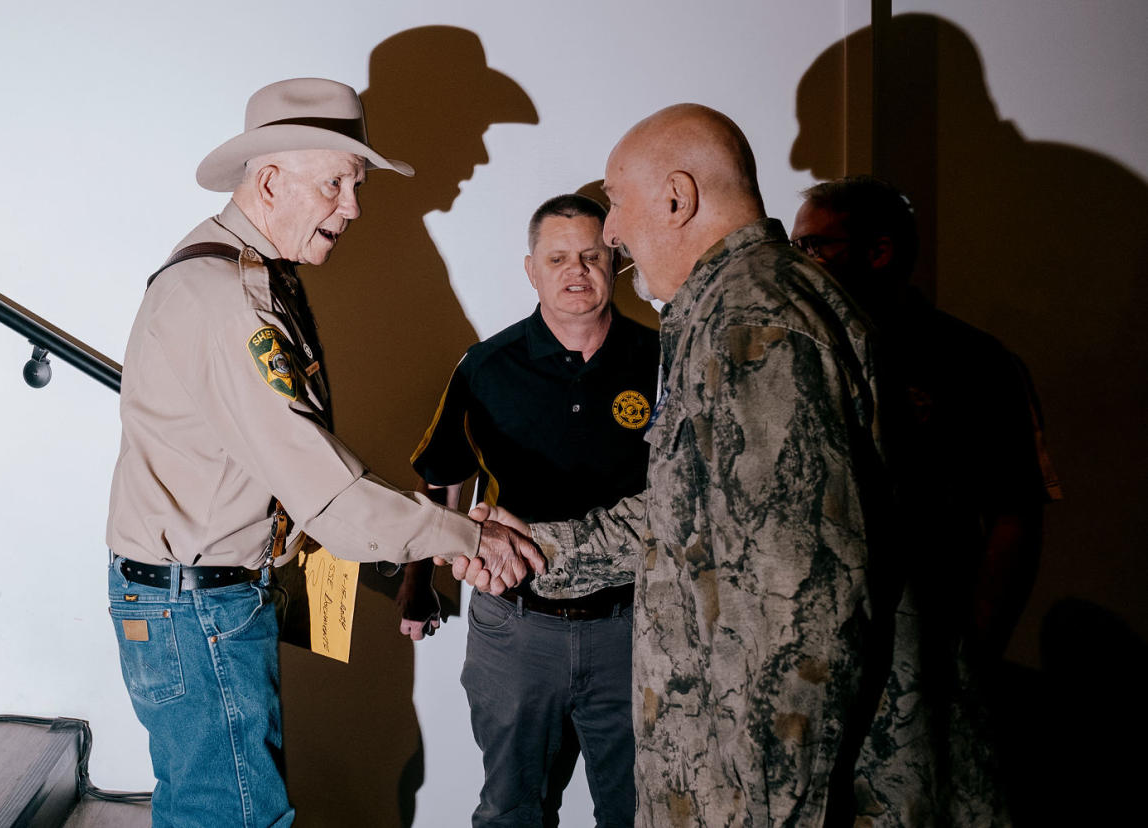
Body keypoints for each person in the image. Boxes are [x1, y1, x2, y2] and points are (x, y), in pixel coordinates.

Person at [449, 104, 947, 825]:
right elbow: (684, 510)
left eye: (616, 205)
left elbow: (799, 619)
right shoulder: (728, 313)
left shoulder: (755, 326)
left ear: (677, 198)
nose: (610, 233)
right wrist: (542, 550)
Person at [105, 77, 541, 828]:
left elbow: (274, 482)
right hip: (198, 605)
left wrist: (400, 570)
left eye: (357, 184)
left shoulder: (246, 275)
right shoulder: (229, 298)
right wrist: (467, 538)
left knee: (223, 809)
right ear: (270, 181)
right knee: (236, 816)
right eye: (336, 183)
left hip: (202, 598)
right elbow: (326, 494)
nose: (354, 207)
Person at [400, 193, 658, 827]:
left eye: (592, 256)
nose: (577, 271)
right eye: (559, 257)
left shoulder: (662, 360)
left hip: (635, 626)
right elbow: (443, 476)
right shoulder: (487, 368)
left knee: (642, 812)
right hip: (516, 627)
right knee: (513, 809)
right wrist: (418, 583)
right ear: (531, 268)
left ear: (615, 261)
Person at [791, 175, 1060, 665]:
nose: (799, 265)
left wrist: (974, 648)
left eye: (814, 245)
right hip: (823, 650)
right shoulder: (801, 357)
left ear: (879, 252)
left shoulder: (974, 361)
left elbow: (1014, 514)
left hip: (931, 642)